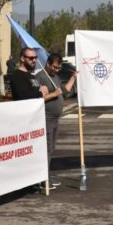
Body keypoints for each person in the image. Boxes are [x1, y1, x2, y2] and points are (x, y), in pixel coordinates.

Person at [35, 53, 77, 187]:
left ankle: (46, 175)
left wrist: (73, 77)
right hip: (46, 118)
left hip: (55, 119)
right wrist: (54, 94)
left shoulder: (55, 76)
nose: (57, 70)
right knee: (46, 148)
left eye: (59, 68)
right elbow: (37, 98)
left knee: (51, 148)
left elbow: (64, 91)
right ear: (48, 63)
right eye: (55, 67)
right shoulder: (40, 77)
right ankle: (44, 179)